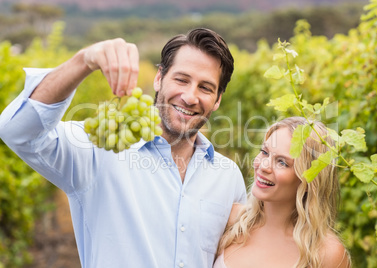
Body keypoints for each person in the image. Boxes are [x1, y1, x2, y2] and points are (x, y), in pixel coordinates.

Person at [0, 28, 247, 267]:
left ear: (218, 99)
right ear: (159, 78)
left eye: (205, 87)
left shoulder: (229, 177)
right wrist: (84, 61)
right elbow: (18, 131)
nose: (191, 97)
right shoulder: (99, 147)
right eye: (181, 80)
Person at [214, 117, 351, 268]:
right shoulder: (230, 222)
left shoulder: (327, 253)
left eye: (282, 162)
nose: (264, 166)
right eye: (264, 152)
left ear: (308, 179)